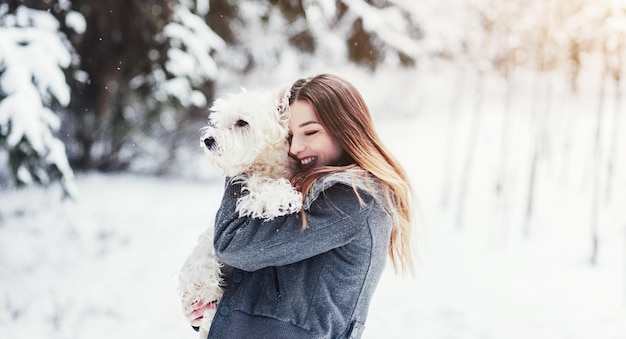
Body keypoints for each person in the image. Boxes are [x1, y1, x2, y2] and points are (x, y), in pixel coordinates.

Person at [183, 73, 415, 338]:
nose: (295, 147)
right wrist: (211, 309)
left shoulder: (354, 200)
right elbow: (266, 275)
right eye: (290, 135)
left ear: (346, 129)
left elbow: (233, 246)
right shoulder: (307, 186)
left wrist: (243, 164)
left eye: (311, 131)